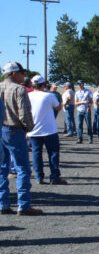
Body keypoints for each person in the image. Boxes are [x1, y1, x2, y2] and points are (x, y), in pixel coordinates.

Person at [0, 62, 39, 216]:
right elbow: (24, 113)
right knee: (22, 168)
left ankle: (3, 204)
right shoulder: (19, 89)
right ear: (14, 73)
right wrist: (29, 128)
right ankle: (24, 205)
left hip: (1, 129)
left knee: (2, 168)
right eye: (22, 72)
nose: (24, 75)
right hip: (15, 130)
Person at [28, 75, 67, 185]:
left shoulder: (28, 96)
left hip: (33, 130)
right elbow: (58, 107)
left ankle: (39, 176)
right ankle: (54, 176)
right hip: (49, 130)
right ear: (43, 85)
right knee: (53, 153)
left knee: (36, 154)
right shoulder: (49, 96)